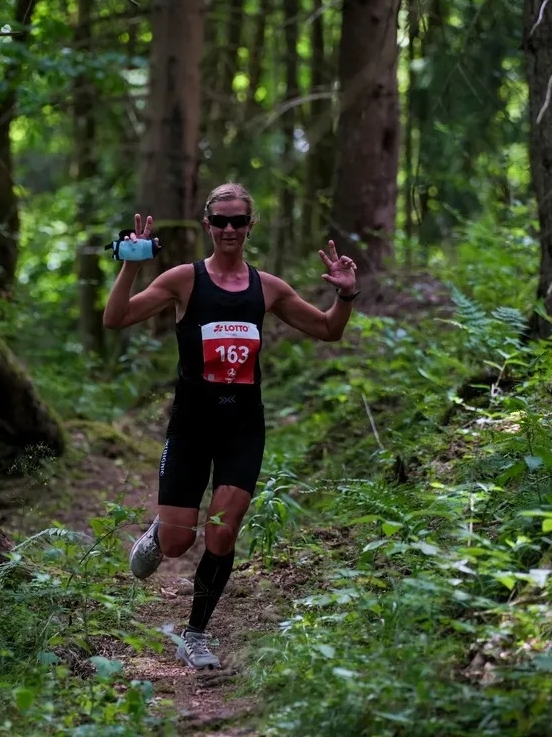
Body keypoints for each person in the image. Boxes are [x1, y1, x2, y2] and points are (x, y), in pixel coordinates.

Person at [102, 181, 359, 670]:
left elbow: (328, 329)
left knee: (221, 535)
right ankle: (160, 532)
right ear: (207, 225)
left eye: (238, 221)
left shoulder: (269, 288)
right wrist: (131, 266)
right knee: (181, 541)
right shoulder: (184, 280)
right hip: (191, 427)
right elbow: (116, 319)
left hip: (244, 427)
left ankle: (195, 634)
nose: (228, 229)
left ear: (249, 226)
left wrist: (347, 294)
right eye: (220, 221)